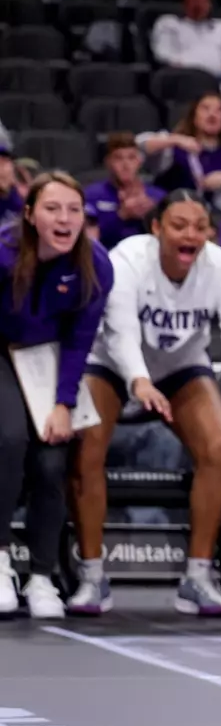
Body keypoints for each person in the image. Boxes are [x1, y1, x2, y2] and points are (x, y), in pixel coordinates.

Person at [68, 190, 221, 617]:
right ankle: (92, 575)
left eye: (199, 227)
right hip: (113, 364)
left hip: (181, 367)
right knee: (87, 443)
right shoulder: (128, 258)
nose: (190, 235)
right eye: (179, 226)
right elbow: (121, 331)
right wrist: (139, 381)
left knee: (220, 446)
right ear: (156, 228)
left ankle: (197, 577)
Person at [0, 174, 114, 618]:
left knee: (51, 460)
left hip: (48, 359)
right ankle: (0, 561)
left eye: (73, 210)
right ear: (30, 215)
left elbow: (79, 342)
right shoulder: (5, 252)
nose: (64, 219)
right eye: (52, 209)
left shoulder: (95, 265)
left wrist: (64, 404)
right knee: (9, 440)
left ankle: (42, 575)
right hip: (2, 353)